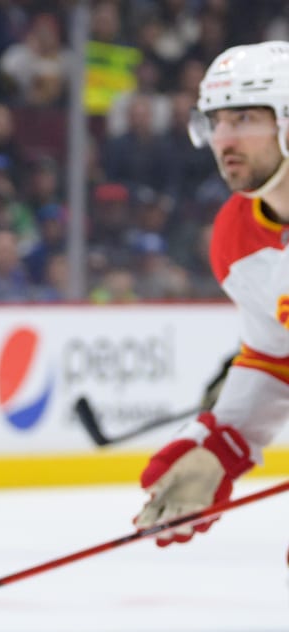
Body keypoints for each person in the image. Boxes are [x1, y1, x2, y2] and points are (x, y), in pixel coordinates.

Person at [135, 42, 289, 546]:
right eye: (215, 121)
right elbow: (273, 357)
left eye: (244, 117)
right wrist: (222, 444)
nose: (224, 138)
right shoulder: (237, 237)